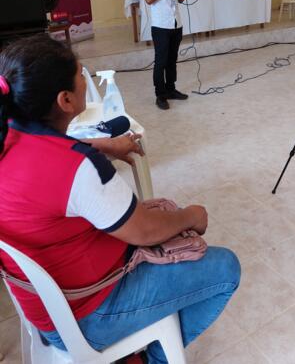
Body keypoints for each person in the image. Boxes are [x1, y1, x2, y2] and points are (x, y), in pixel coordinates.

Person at [0, 35, 240, 364]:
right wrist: (191, 216)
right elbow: (143, 231)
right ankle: (151, 359)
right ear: (65, 100)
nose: (86, 81)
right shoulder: (77, 168)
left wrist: (103, 147)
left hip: (43, 306)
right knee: (225, 268)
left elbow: (44, 165)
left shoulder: (9, 133)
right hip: (84, 317)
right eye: (82, 76)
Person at [141, 0, 191, 110]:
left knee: (172, 60)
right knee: (161, 61)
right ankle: (160, 95)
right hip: (161, 25)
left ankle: (171, 89)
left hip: (176, 23)